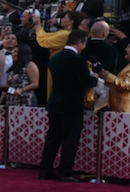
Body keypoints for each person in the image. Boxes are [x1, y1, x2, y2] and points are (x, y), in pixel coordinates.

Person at [39, 29, 95, 181]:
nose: (84, 47)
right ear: (79, 43)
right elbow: (86, 82)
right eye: (84, 44)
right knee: (70, 140)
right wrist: (94, 78)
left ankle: (45, 170)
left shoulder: (55, 58)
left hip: (55, 102)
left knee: (53, 138)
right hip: (71, 105)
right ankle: (65, 171)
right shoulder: (78, 61)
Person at [96, 39, 130, 111]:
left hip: (124, 109)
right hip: (118, 108)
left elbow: (126, 85)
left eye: (129, 47)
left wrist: (108, 76)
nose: (125, 49)